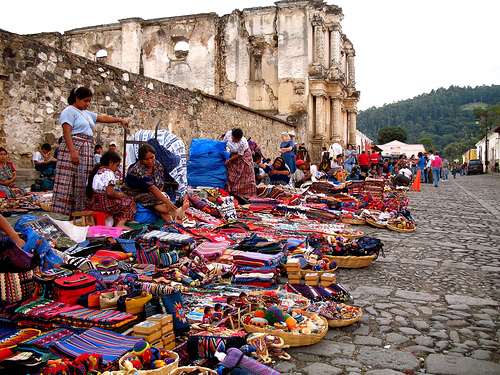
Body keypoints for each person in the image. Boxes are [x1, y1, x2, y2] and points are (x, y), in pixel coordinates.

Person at [51, 87, 129, 216]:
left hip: (86, 147)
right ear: (77, 99)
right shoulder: (69, 111)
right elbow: (67, 132)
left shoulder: (86, 113)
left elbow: (102, 118)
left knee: (84, 179)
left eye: (89, 101)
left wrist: (119, 120)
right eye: (85, 101)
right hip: (75, 146)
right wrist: (73, 151)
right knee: (71, 179)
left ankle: (80, 209)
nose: (87, 104)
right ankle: (68, 211)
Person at [122, 144, 188, 223]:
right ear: (141, 160)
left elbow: (160, 182)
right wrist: (166, 202)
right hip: (134, 191)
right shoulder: (139, 169)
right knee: (155, 200)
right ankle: (177, 212)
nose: (150, 161)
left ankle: (171, 223)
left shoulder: (157, 165)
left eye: (152, 157)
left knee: (161, 198)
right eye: (146, 159)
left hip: (150, 190)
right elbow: (152, 188)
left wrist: (160, 194)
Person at [86, 151, 137, 230]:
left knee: (122, 201)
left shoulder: (95, 171)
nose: (116, 169)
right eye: (116, 165)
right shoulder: (108, 172)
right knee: (130, 202)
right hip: (103, 203)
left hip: (92, 203)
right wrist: (120, 195)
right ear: (110, 162)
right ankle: (121, 224)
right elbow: (110, 193)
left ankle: (119, 221)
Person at [223, 128, 257, 197]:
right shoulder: (228, 134)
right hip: (233, 154)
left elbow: (240, 154)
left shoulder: (243, 142)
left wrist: (230, 160)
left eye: (237, 140)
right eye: (234, 138)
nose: (235, 141)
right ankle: (230, 192)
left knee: (244, 175)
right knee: (230, 173)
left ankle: (244, 195)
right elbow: (223, 143)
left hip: (243, 156)